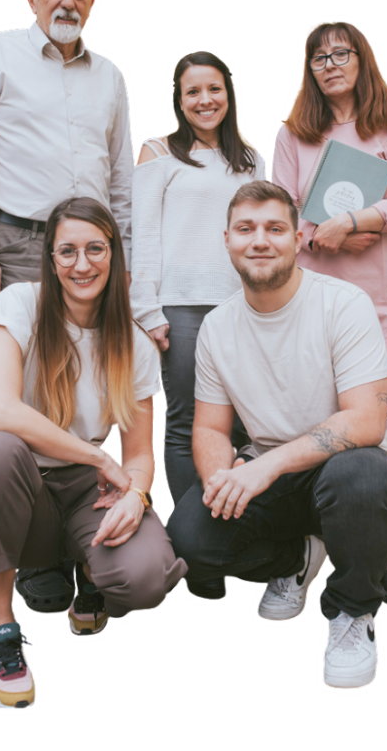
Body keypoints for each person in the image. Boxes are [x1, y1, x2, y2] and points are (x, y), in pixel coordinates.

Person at [0, 0, 135, 610]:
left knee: (93, 381)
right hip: (19, 245)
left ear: (94, 1)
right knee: (26, 390)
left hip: (96, 252)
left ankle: (88, 537)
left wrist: (127, 264)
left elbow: (121, 178)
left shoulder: (110, 74)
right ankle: (40, 549)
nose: (67, 1)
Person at [167, 182, 387, 689]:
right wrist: (222, 480)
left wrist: (264, 467)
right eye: (246, 229)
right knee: (189, 540)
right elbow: (209, 428)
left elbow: (367, 421)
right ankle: (297, 558)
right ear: (227, 240)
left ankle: (352, 609)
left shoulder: (344, 304)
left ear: (298, 239)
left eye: (275, 228)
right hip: (271, 479)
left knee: (363, 475)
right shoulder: (218, 327)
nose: (260, 240)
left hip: (347, 471)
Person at [0, 197, 187, 709]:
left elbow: (138, 455)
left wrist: (137, 497)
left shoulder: (133, 342)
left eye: (95, 249)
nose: (82, 264)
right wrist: (99, 459)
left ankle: (90, 566)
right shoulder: (19, 304)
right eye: (68, 251)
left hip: (88, 493)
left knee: (148, 575)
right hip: (24, 487)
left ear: (114, 254)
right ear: (51, 258)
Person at [272, 21, 387, 605]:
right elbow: (283, 215)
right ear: (308, 69)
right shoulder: (293, 134)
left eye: (342, 54)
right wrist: (323, 235)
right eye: (319, 57)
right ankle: (307, 546)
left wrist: (359, 221)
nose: (331, 64)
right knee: (313, 422)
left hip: (382, 300)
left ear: (362, 60)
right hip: (316, 303)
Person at [130, 50, 265, 515]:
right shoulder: (157, 152)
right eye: (193, 92)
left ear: (229, 94)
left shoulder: (250, 159)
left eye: (214, 89)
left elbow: (258, 235)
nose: (205, 100)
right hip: (180, 309)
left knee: (243, 419)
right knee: (187, 419)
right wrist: (146, 309)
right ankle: (193, 530)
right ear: (179, 100)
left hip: (241, 307)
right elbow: (143, 235)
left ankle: (238, 519)